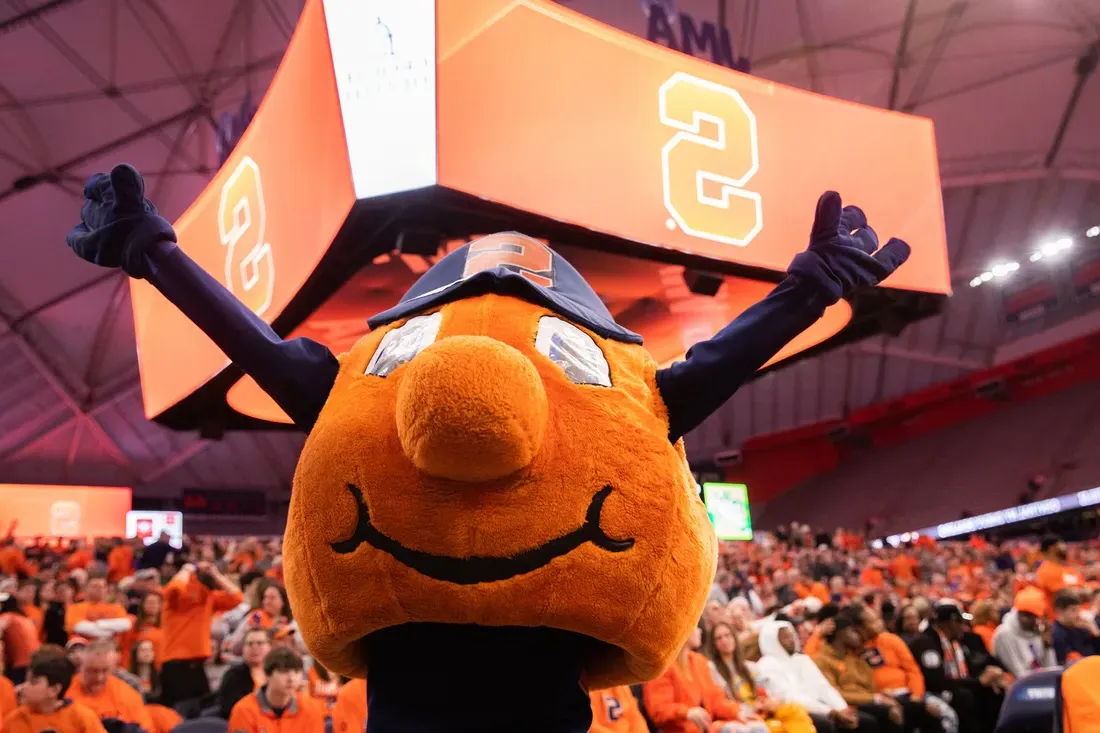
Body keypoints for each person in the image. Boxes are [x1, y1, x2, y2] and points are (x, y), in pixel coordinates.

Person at [908, 603, 1006, 733]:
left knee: (992, 690)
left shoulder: (955, 642)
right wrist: (978, 682)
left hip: (951, 687)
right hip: (930, 692)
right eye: (960, 623)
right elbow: (937, 682)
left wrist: (988, 675)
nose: (964, 627)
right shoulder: (926, 643)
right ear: (949, 623)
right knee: (964, 697)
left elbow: (970, 669)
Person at [160, 560, 242, 707]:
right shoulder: (177, 597)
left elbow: (237, 598)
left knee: (202, 710)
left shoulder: (208, 596)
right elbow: (172, 589)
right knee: (178, 712)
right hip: (175, 663)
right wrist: (187, 569)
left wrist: (215, 573)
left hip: (197, 664)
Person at [706, 621, 814, 733]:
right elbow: (719, 702)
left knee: (797, 711)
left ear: (734, 637)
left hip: (761, 710)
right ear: (713, 644)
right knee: (773, 727)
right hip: (740, 716)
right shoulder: (711, 669)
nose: (724, 640)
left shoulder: (749, 667)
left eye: (727, 635)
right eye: (718, 638)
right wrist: (747, 709)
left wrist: (768, 701)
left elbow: (764, 690)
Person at [814, 607, 903, 733]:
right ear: (841, 633)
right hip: (845, 706)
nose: (858, 636)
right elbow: (834, 693)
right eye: (852, 632)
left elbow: (870, 685)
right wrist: (875, 698)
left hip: (865, 702)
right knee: (881, 715)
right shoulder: (822, 660)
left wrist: (881, 696)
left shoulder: (854, 657)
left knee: (905, 707)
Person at [642, 632, 746, 733]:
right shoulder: (661, 668)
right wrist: (687, 713)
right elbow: (659, 710)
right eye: (695, 627)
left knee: (754, 728)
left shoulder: (699, 661)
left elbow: (716, 699)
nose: (699, 631)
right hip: (680, 730)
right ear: (682, 632)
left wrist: (737, 712)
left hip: (709, 727)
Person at [3, 648, 105, 733]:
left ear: (54, 690)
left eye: (33, 682)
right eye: (26, 680)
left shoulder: (83, 719)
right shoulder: (13, 720)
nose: (24, 687)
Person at [227, 648, 325, 732]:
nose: (291, 679)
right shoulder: (244, 710)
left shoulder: (311, 709)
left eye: (296, 672)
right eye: (284, 671)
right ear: (268, 675)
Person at [67, 639, 154, 731]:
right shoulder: (65, 693)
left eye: (105, 671)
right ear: (81, 667)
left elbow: (146, 728)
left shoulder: (127, 694)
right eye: (93, 671)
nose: (99, 677)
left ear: (114, 669)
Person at [991, 587, 1056, 678]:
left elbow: (1051, 670)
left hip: (1038, 683)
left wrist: (1047, 646)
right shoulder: (1004, 633)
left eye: (1030, 616)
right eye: (1022, 614)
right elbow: (1018, 673)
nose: (1025, 619)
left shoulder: (1038, 631)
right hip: (1016, 687)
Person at [213, 627, 271, 718]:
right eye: (249, 644)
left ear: (270, 647)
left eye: (260, 643)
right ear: (243, 649)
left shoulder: (278, 672)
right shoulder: (233, 675)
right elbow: (230, 708)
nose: (254, 647)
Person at [64, 574, 131, 641]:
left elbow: (125, 625)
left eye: (102, 587)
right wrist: (110, 631)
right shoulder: (75, 607)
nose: (99, 589)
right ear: (86, 588)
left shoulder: (116, 607)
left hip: (110, 647)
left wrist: (98, 623)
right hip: (84, 647)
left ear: (106, 589)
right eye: (95, 586)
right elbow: (79, 627)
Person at [1051, 588, 1099, 664]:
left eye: (1078, 609)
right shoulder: (1057, 634)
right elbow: (1072, 663)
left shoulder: (1082, 628)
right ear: (1059, 610)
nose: (1078, 614)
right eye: (1073, 610)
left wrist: (1095, 632)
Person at [1036, 536, 1080, 616]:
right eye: (1061, 544)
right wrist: (1083, 592)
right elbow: (1065, 595)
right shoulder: (1046, 570)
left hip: (1080, 615)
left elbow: (1084, 588)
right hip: (1060, 619)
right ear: (1052, 548)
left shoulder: (1069, 568)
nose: (1065, 547)